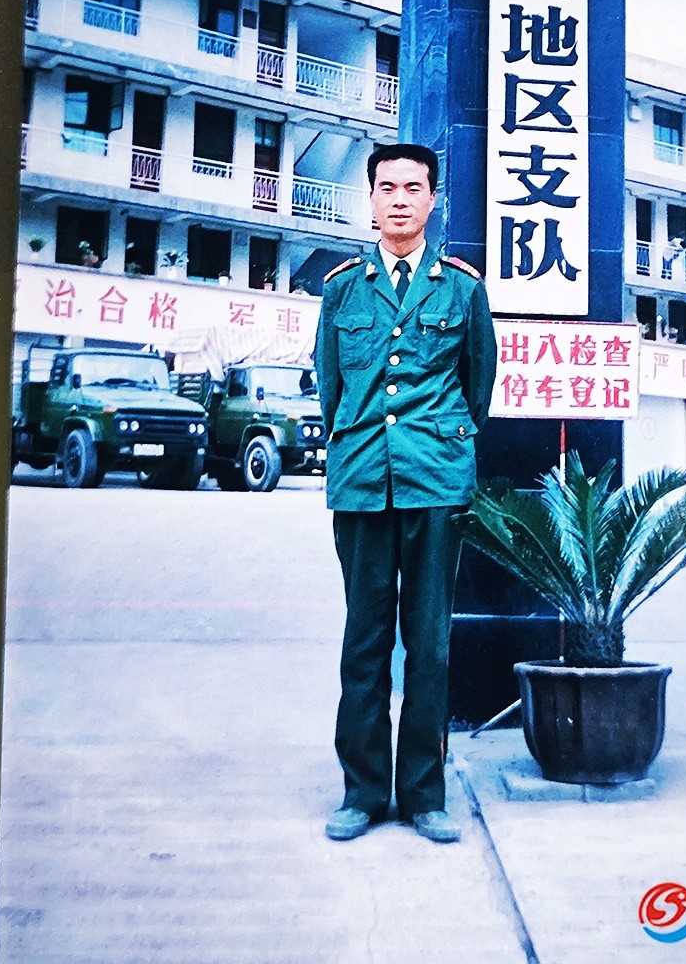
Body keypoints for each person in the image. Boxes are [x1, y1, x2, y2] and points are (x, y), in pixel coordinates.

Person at [314, 143, 497, 844]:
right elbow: (331, 390)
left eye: (412, 188)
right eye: (386, 187)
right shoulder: (342, 289)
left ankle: (424, 795)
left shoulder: (463, 290)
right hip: (362, 481)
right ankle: (362, 793)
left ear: (432, 200)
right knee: (364, 641)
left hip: (436, 483)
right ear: (371, 199)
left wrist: (439, 446)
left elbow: (477, 388)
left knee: (430, 643)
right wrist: (359, 447)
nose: (399, 199)